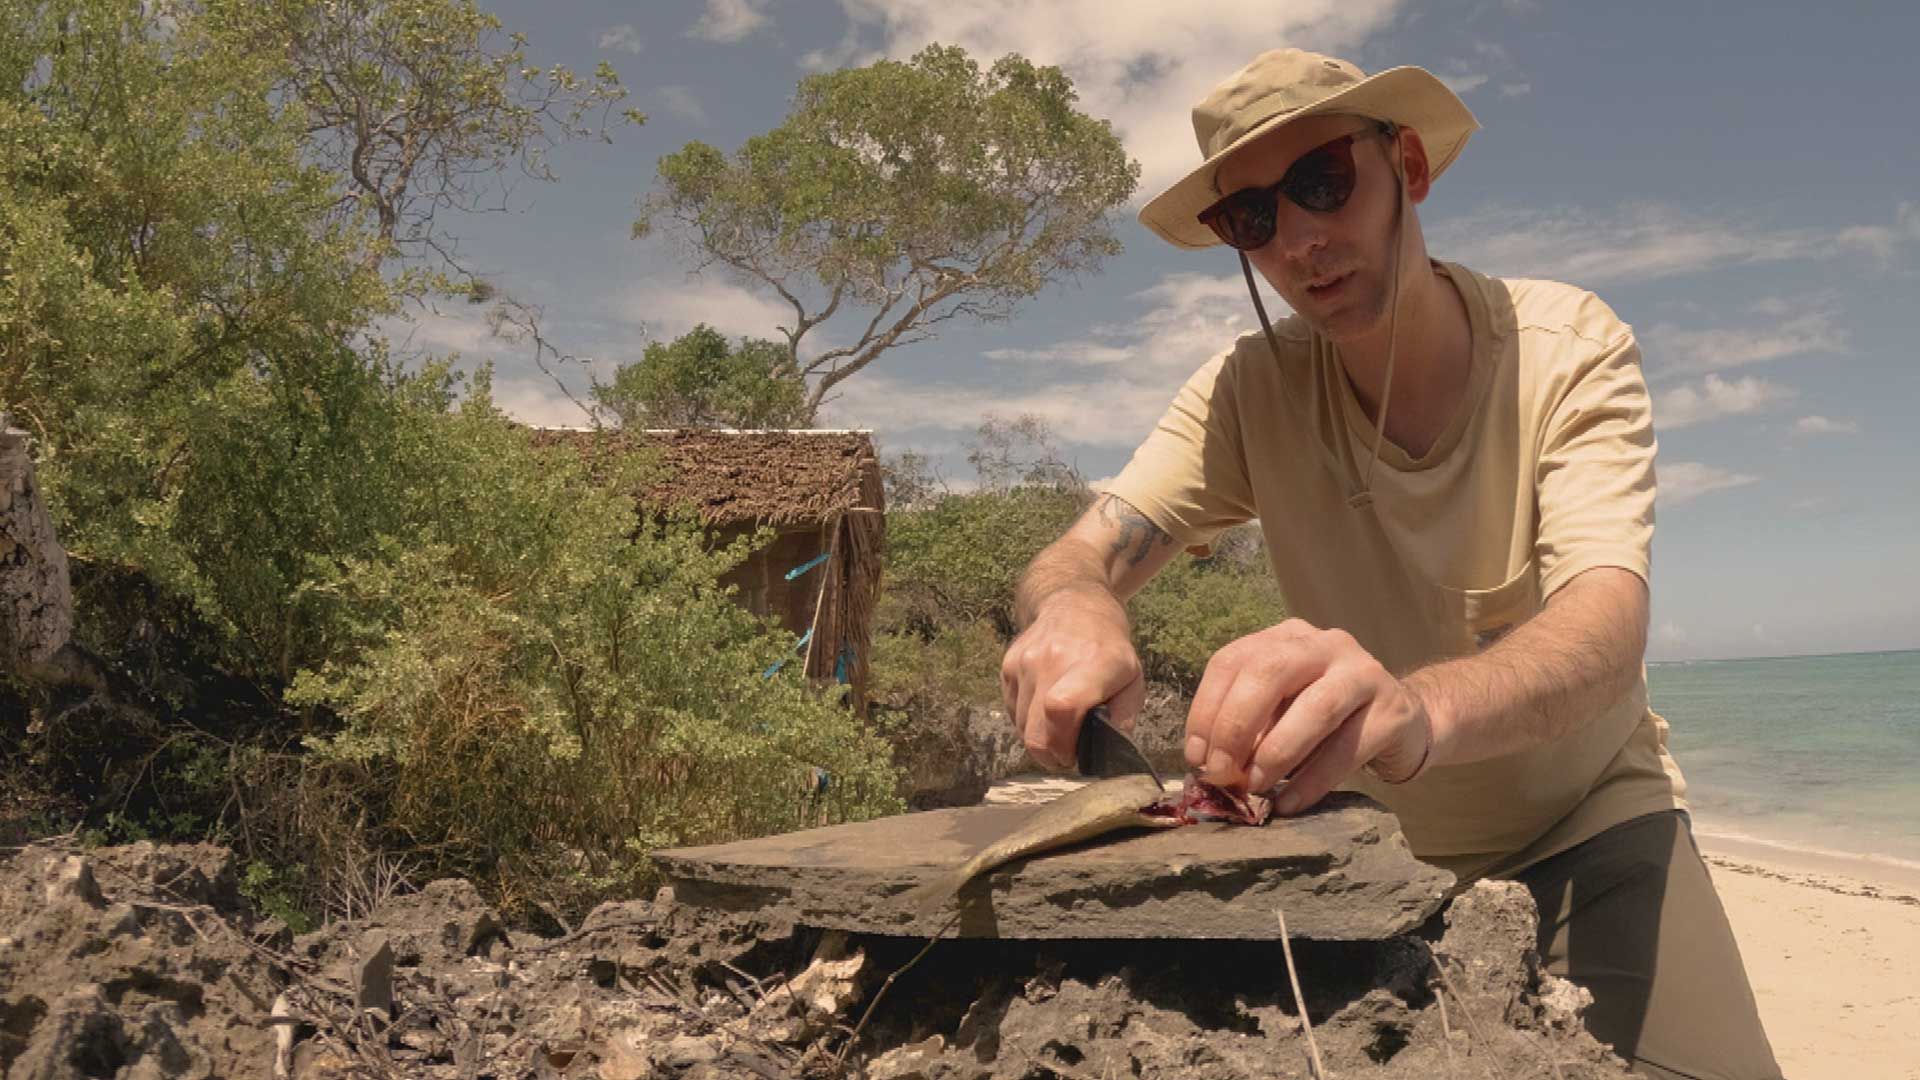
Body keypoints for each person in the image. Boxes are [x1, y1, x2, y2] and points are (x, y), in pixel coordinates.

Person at [999, 48, 1781, 1080]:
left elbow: (1604, 630)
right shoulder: (1247, 392)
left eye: (1323, 182)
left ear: (1407, 166)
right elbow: (1081, 554)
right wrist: (1076, 607)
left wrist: (1413, 712)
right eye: (1253, 217)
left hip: (1587, 825)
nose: (1299, 240)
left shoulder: (1564, 349)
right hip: (1366, 853)